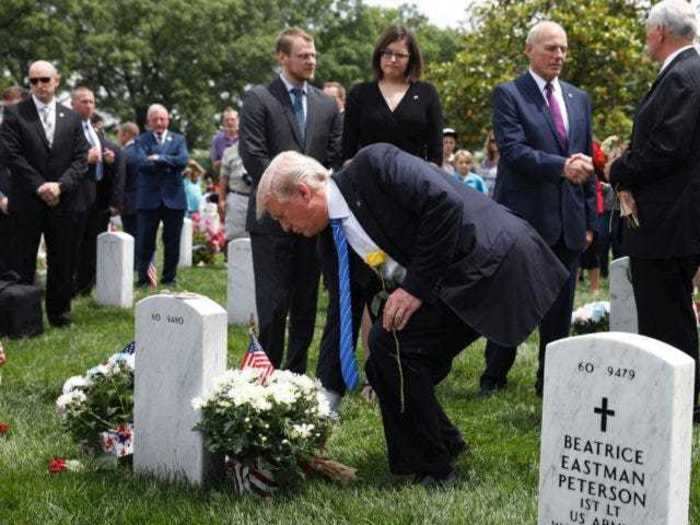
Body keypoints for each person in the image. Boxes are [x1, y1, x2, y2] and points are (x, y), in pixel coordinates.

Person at [256, 143, 568, 486]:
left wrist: (414, 288)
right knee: (385, 358)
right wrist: (324, 404)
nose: (285, 228)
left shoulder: (374, 165)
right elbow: (341, 316)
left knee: (393, 346)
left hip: (492, 261)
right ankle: (445, 442)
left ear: (303, 193)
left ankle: (435, 469)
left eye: (281, 216)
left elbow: (443, 205)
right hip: (449, 280)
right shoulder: (329, 241)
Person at [481, 21, 596, 397]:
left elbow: (586, 161)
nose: (558, 55)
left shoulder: (579, 99)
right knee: (511, 299)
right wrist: (560, 166)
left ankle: (552, 381)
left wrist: (590, 219)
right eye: (550, 48)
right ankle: (494, 376)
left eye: (563, 48)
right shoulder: (510, 94)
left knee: (560, 308)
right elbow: (513, 152)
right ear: (528, 50)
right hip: (524, 218)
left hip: (568, 220)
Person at [608, 0, 700, 420]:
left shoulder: (683, 76)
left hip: (668, 222)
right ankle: (683, 398)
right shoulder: (686, 72)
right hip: (676, 219)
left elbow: (666, 147)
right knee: (673, 310)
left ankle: (674, 402)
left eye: (648, 31)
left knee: (666, 316)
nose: (646, 38)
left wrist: (618, 168)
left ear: (659, 32)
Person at [239, 27, 342, 373]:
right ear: (282, 57)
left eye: (313, 55)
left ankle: (294, 375)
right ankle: (264, 378)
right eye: (303, 55)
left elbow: (334, 156)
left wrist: (310, 198)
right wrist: (286, 196)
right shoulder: (258, 99)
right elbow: (253, 154)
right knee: (272, 304)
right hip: (271, 221)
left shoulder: (327, 105)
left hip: (312, 222)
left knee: (305, 303)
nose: (311, 61)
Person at [0, 60, 89, 327]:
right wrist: (41, 185)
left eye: (44, 80)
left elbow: (81, 158)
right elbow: (11, 155)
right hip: (27, 200)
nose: (39, 85)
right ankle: (23, 318)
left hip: (63, 201)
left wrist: (60, 186)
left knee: (62, 259)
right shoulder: (16, 114)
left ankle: (60, 315)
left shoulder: (71, 117)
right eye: (33, 81)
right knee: (22, 261)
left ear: (57, 81)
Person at [342, 25, 443, 165]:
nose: (393, 59)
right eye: (387, 53)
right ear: (379, 54)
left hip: (413, 179)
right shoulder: (359, 93)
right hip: (369, 178)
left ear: (411, 59)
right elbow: (347, 150)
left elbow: (436, 154)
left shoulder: (427, 93)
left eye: (400, 55)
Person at [71, 87, 120, 296]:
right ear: (73, 104)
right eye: (84, 101)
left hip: (96, 194)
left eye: (91, 101)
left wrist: (107, 159)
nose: (89, 105)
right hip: (74, 193)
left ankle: (85, 285)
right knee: (73, 243)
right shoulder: (67, 128)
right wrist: (86, 160)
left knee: (91, 242)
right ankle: (69, 286)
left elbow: (99, 158)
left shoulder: (93, 130)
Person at [133, 104, 189, 287]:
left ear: (168, 120)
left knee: (172, 242)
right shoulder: (141, 140)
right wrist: (169, 162)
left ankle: (169, 278)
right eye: (155, 119)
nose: (159, 122)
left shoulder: (179, 139)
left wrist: (158, 158)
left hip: (174, 198)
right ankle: (145, 279)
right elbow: (141, 163)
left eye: (162, 119)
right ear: (148, 121)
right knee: (145, 242)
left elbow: (183, 161)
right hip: (149, 199)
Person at [218, 140, 250, 241]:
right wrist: (221, 200)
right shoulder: (229, 151)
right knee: (233, 238)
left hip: (257, 197)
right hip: (237, 197)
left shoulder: (263, 148)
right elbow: (223, 178)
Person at [115, 122, 140, 242]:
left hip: (129, 204)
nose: (118, 138)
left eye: (118, 134)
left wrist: (116, 203)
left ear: (125, 134)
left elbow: (120, 180)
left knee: (131, 237)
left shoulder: (123, 154)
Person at [210, 108, 239, 174]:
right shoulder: (217, 139)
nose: (229, 122)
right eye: (227, 120)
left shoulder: (245, 137)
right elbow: (214, 166)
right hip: (225, 178)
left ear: (238, 120)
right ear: (223, 122)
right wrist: (227, 160)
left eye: (232, 119)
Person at [477, 129, 499, 197]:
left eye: (498, 140)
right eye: (492, 141)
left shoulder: (506, 161)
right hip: (486, 198)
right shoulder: (484, 162)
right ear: (489, 143)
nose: (495, 143)